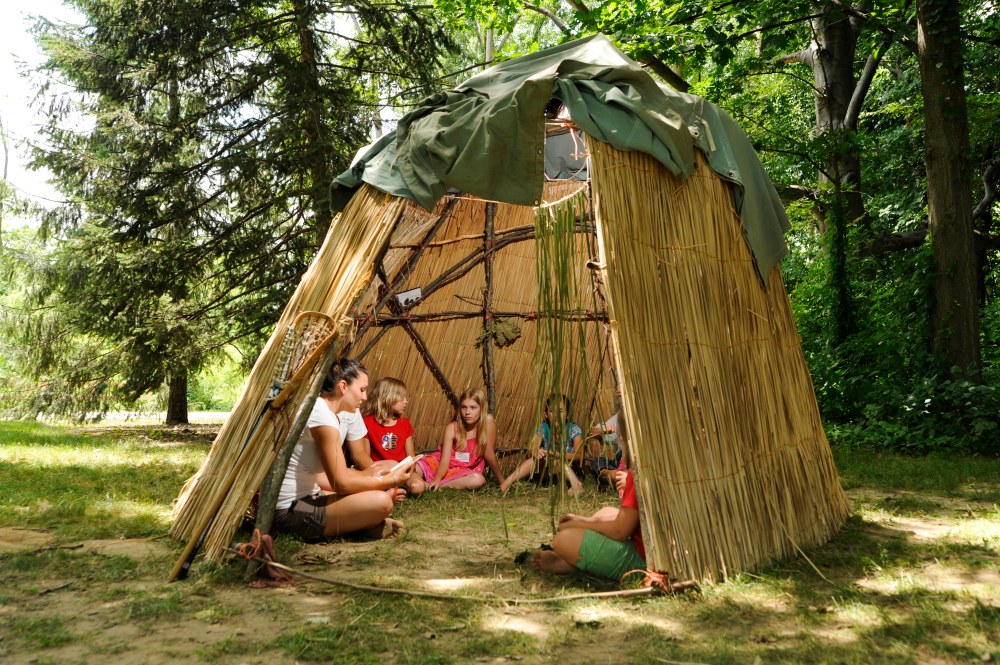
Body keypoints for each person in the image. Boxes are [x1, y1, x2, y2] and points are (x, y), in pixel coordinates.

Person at [272, 358, 410, 542]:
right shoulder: (322, 417)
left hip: (311, 496)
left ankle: (362, 525)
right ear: (343, 386)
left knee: (372, 496)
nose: (365, 397)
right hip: (289, 511)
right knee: (381, 501)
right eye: (362, 390)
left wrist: (371, 476)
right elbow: (341, 484)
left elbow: (337, 475)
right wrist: (389, 480)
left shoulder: (324, 412)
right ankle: (361, 526)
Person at [531, 467, 645, 583]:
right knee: (606, 511)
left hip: (644, 562)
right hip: (644, 541)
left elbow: (620, 531)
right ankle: (577, 562)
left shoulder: (638, 473)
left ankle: (571, 565)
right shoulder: (647, 470)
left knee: (563, 539)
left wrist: (580, 524)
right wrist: (584, 520)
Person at [410, 388, 503, 492]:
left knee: (478, 480)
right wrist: (437, 478)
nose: (467, 412)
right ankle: (419, 484)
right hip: (441, 464)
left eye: (473, 407)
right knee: (415, 468)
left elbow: (489, 454)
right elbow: (445, 460)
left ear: (482, 408)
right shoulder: (452, 428)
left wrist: (503, 481)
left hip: (463, 470)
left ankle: (433, 486)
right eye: (464, 407)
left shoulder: (488, 422)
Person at [500, 394, 584, 495]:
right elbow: (531, 450)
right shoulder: (541, 428)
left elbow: (579, 455)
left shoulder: (573, 430)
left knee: (557, 460)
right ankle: (506, 483)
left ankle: (577, 486)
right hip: (546, 471)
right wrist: (536, 451)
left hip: (567, 470)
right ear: (546, 414)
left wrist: (558, 455)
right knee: (535, 459)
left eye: (560, 411)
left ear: (567, 414)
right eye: (552, 411)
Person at [358, 377, 423, 497]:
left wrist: (407, 474)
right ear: (388, 398)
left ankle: (398, 488)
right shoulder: (367, 422)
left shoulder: (404, 424)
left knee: (418, 487)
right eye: (402, 398)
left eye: (406, 398)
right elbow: (365, 457)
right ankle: (392, 489)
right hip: (383, 472)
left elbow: (411, 456)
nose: (406, 401)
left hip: (403, 472)